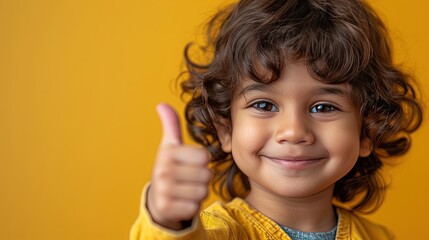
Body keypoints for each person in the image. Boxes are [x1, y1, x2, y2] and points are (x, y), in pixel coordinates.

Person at [131, 0, 423, 239]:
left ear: (367, 132)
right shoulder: (220, 232)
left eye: (323, 108)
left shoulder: (380, 237)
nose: (293, 132)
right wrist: (168, 221)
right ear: (226, 129)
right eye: (264, 104)